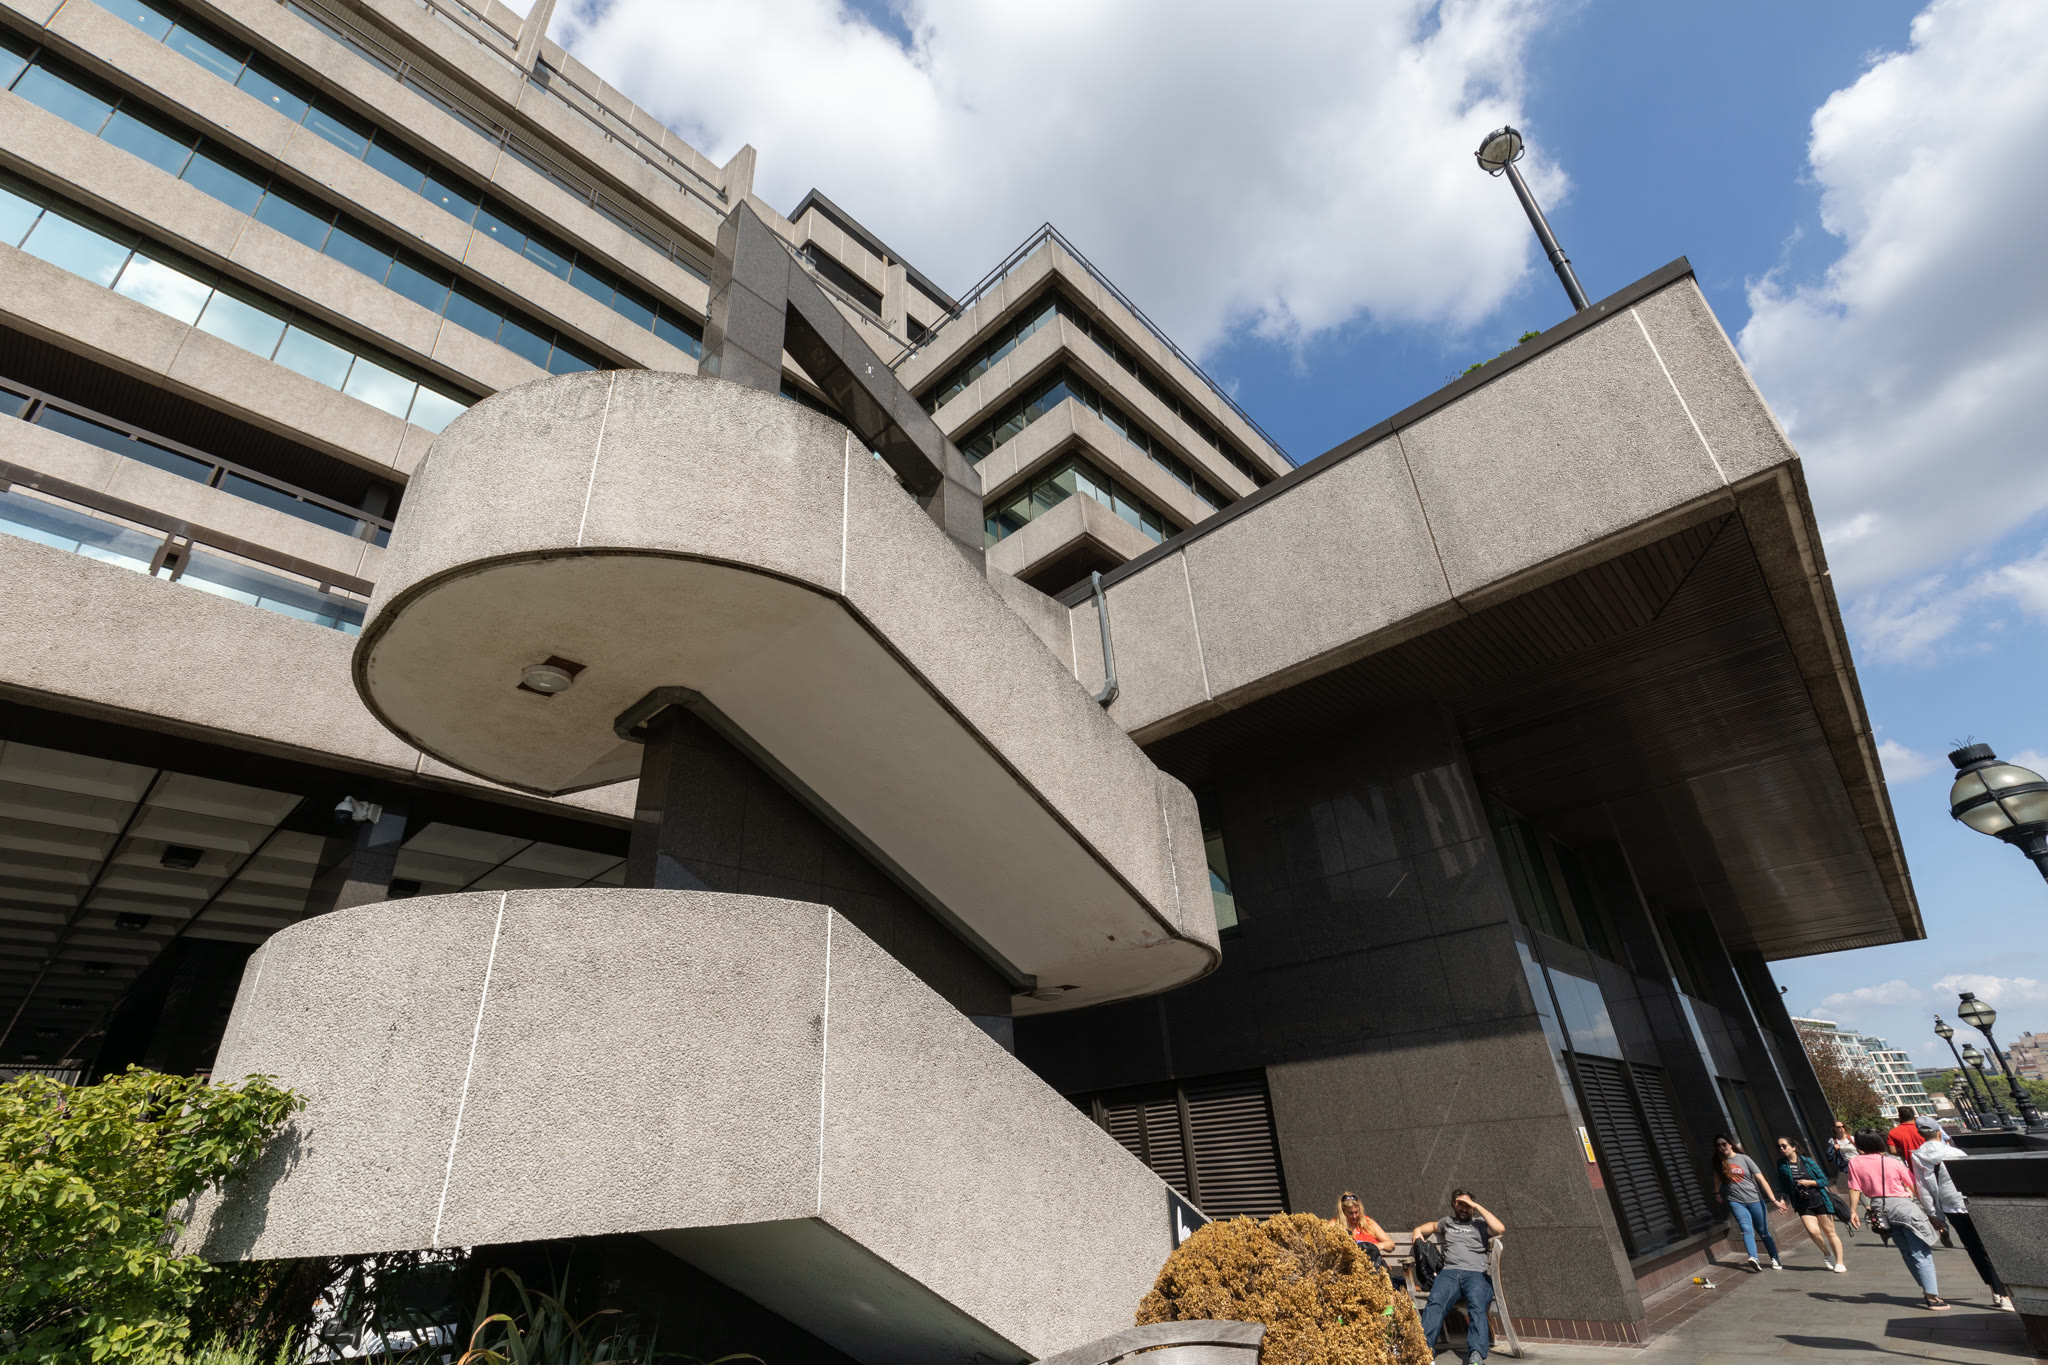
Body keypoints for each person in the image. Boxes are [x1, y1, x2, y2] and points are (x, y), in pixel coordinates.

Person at [1910, 1116, 2014, 1311]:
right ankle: (2003, 1294)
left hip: (1947, 1206)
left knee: (1973, 1247)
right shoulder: (1954, 1152)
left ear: (1921, 1135)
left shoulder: (1918, 1156)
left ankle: (1995, 1290)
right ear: (1939, 1133)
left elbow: (1922, 1187)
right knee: (1989, 1246)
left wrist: (1933, 1214)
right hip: (1967, 1201)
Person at [1846, 1130, 1948, 1310]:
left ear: (1859, 1145)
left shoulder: (1854, 1162)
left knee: (1906, 1252)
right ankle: (1932, 1297)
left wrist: (1853, 1211)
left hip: (1880, 1209)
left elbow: (1855, 1188)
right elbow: (1913, 1186)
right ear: (1878, 1143)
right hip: (1903, 1207)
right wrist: (1930, 1212)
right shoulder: (1892, 1162)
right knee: (1920, 1253)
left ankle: (1927, 1290)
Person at [1413, 1189, 1505, 1364]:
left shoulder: (1480, 1223)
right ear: (1453, 1205)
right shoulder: (1447, 1222)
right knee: (1435, 1303)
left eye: (1467, 1205)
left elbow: (1500, 1229)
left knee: (1477, 1305)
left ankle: (1476, 1355)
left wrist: (1475, 1205)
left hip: (1476, 1273)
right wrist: (1417, 1231)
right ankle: (1424, 1352)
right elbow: (1432, 1226)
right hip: (1450, 1272)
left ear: (1473, 1208)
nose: (1463, 1208)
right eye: (1460, 1204)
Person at [1712, 1134, 1786, 1271]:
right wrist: (1717, 1193)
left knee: (1763, 1231)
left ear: (1730, 1144)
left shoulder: (1744, 1158)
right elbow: (1717, 1178)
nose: (1721, 1147)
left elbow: (1761, 1179)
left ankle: (1774, 1258)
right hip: (1736, 1201)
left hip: (1754, 1200)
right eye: (1718, 1145)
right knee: (1746, 1229)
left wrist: (1774, 1200)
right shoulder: (1720, 1163)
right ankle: (1753, 1257)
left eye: (1724, 1144)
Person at [1775, 1135, 1847, 1273]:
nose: (1781, 1149)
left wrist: (1810, 1182)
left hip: (1820, 1199)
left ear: (1793, 1147)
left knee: (1830, 1232)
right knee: (1813, 1231)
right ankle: (1827, 1253)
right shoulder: (1782, 1164)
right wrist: (1782, 1198)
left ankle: (1840, 1262)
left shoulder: (1807, 1162)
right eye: (1779, 1147)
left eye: (1784, 1146)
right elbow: (1783, 1184)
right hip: (1802, 1203)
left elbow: (1823, 1180)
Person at [1334, 1192, 1396, 1264]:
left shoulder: (1368, 1223)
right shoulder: (1335, 1224)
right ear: (1343, 1212)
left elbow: (1391, 1245)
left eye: (1356, 1212)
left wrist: (1375, 1246)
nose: (1354, 1216)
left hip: (1373, 1265)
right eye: (1350, 1213)